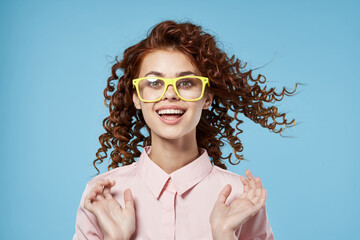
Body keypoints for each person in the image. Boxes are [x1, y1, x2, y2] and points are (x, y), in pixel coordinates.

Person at [73, 20, 296, 240]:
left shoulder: (242, 197)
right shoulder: (101, 197)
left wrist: (225, 236)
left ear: (207, 97)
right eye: (154, 82)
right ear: (136, 98)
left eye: (186, 83)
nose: (170, 94)